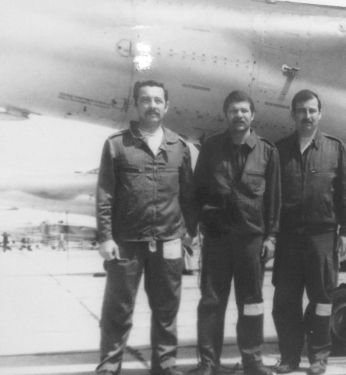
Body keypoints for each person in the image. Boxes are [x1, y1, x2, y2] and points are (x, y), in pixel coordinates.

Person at [95, 80, 198, 375]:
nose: (152, 106)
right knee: (118, 310)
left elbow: (188, 195)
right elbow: (105, 194)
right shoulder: (117, 144)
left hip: (169, 240)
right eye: (145, 100)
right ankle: (109, 367)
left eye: (157, 101)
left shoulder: (179, 147)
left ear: (167, 106)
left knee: (166, 310)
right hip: (126, 242)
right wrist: (105, 237)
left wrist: (191, 232)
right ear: (136, 104)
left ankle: (164, 367)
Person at [190, 91, 281, 375]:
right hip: (216, 240)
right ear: (225, 115)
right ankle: (208, 364)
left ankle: (252, 362)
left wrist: (271, 237)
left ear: (252, 116)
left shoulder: (268, 151)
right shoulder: (211, 148)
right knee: (211, 303)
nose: (239, 115)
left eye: (244, 111)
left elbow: (274, 200)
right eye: (233, 111)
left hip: (251, 242)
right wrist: (191, 230)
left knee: (251, 304)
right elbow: (197, 191)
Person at [272, 90, 346, 375]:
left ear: (320, 114)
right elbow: (270, 196)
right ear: (292, 115)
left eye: (311, 111)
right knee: (285, 303)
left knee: (322, 302)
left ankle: (318, 357)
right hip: (288, 239)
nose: (307, 116)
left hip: (322, 239)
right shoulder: (279, 150)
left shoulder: (335, 148)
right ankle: (289, 357)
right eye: (301, 111)